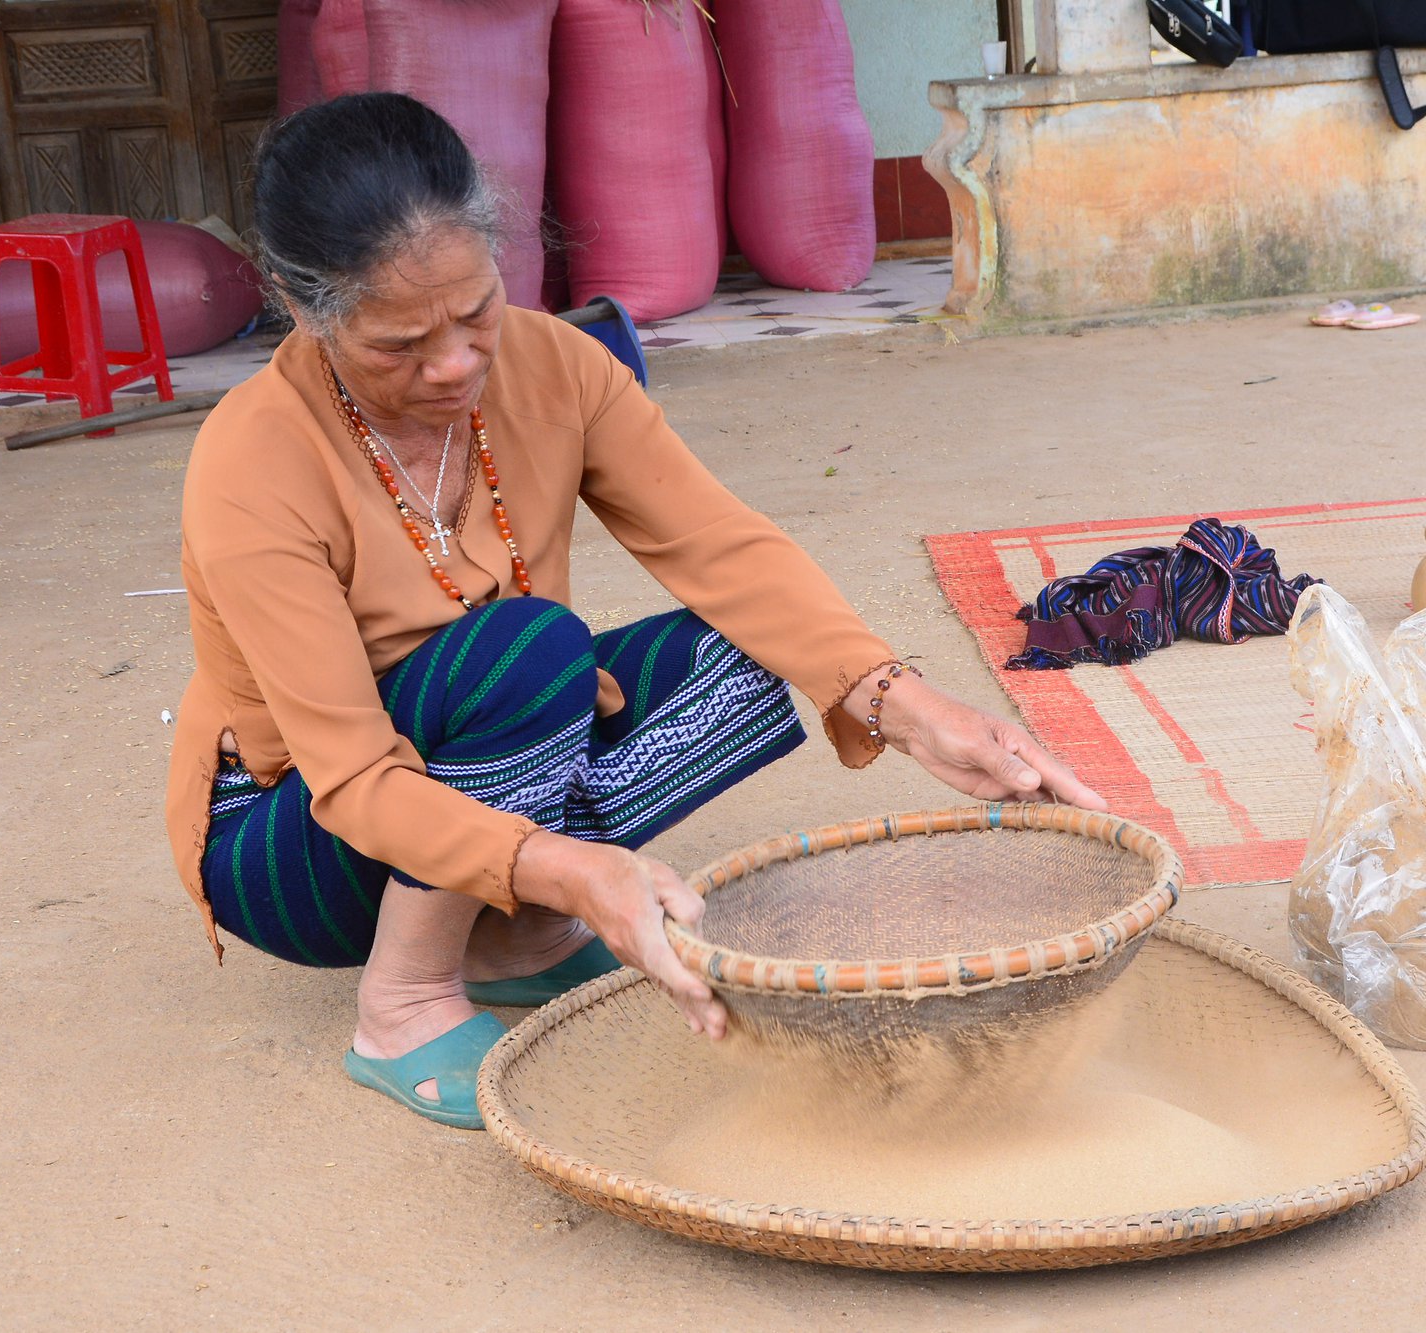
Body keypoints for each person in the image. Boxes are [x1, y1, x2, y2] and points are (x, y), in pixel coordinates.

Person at [164, 92, 1105, 1131]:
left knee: (741, 652)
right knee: (526, 656)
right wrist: (571, 869)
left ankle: (512, 941)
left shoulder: (553, 363)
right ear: (305, 312)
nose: (454, 363)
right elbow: (346, 774)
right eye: (397, 344)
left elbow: (718, 545)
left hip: (480, 752)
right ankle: (403, 998)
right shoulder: (251, 462)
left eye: (474, 310)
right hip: (299, 834)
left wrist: (900, 700)